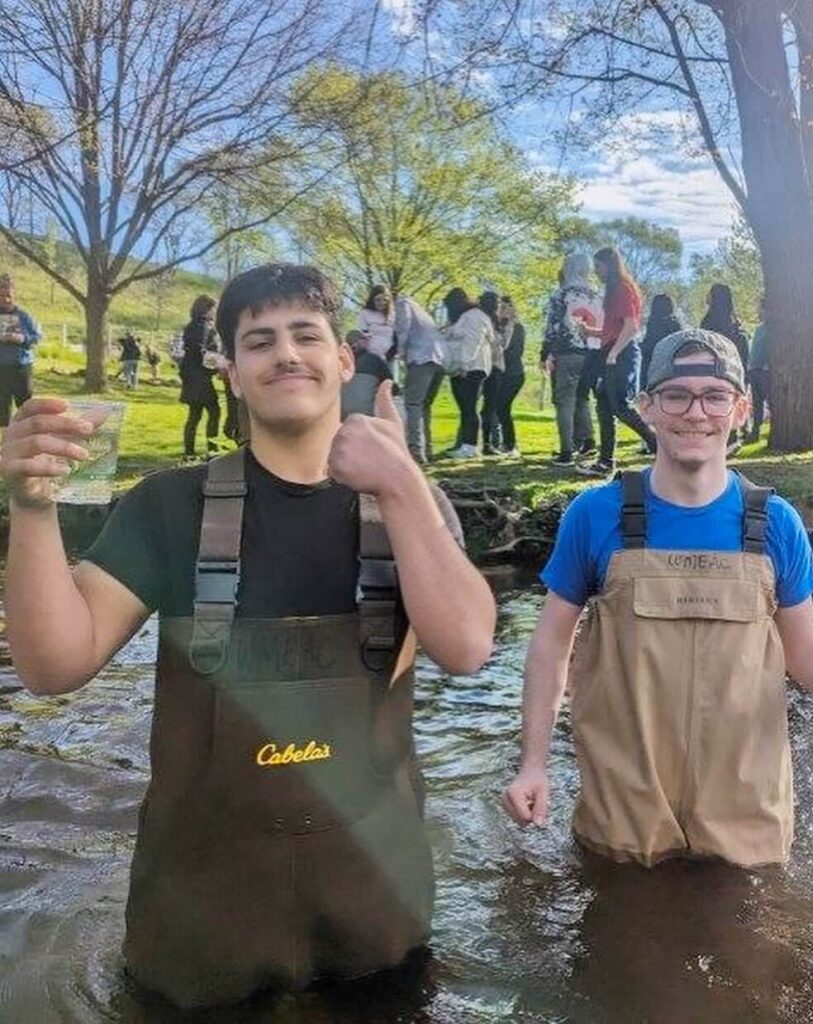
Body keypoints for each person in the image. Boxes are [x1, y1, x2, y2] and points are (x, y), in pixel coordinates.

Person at [1, 262, 496, 1009]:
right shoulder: (166, 506)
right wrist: (31, 509)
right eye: (259, 341)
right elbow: (51, 667)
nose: (285, 354)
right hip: (200, 934)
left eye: (306, 335)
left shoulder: (410, 506)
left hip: (376, 919)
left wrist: (400, 485)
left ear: (344, 360)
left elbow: (466, 648)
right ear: (231, 371)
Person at [504, 328, 813, 870]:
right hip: (624, 806)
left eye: (714, 395)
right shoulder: (594, 515)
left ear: (741, 409)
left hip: (747, 808)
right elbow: (551, 647)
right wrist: (532, 763)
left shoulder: (776, 524)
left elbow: (806, 655)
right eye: (676, 395)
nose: (695, 413)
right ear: (647, 408)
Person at [574, 247, 657, 477]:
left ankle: (658, 445)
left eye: (599, 268)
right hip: (611, 352)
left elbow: (631, 327)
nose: (597, 273)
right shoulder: (612, 291)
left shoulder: (622, 289)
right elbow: (613, 330)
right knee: (603, 407)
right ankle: (605, 462)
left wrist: (613, 354)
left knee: (619, 405)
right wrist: (590, 331)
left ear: (609, 267)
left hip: (622, 354)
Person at [540, 253, 601, 466]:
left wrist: (544, 353)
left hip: (566, 352)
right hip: (591, 353)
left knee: (564, 401)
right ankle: (588, 441)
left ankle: (567, 450)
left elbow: (553, 327)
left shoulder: (561, 294)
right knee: (583, 398)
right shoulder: (595, 295)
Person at [441, 287, 494, 459]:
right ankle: (465, 443)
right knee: (465, 407)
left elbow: (473, 341)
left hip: (472, 367)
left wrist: (464, 363)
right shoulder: (463, 318)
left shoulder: (474, 316)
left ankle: (470, 446)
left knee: (469, 406)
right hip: (461, 367)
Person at [393, 295, 444, 464]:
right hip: (438, 361)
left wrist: (400, 351)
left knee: (413, 404)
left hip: (421, 358)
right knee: (425, 406)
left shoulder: (403, 304)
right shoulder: (423, 312)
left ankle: (416, 451)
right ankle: (428, 450)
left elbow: (403, 327)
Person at [700, 283, 750, 454]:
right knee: (730, 402)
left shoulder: (707, 322)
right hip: (734, 371)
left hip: (713, 370)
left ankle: (720, 438)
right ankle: (733, 436)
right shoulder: (735, 324)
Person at [179, 294, 221, 460]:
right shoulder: (202, 325)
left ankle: (189, 451)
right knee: (214, 411)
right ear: (208, 308)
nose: (214, 312)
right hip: (200, 376)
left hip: (191, 374)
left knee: (195, 414)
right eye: (213, 309)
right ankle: (212, 448)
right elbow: (200, 350)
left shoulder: (192, 325)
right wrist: (216, 364)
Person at [0, 274, 41, 427]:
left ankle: (27, 437)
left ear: (14, 294)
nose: (5, 299)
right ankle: (3, 443)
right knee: (1, 407)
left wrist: (22, 339)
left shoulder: (25, 317)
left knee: (25, 406)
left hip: (21, 367)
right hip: (0, 368)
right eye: (1, 295)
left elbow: (36, 337)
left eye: (8, 295)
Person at [496, 296, 526, 457]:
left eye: (507, 307)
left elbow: (516, 353)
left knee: (502, 407)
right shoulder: (497, 327)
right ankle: (503, 443)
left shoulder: (518, 328)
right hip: (500, 374)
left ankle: (510, 445)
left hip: (514, 374)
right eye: (501, 307)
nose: (503, 310)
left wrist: (499, 356)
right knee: (499, 408)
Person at [478, 291, 506, 456]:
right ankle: (482, 443)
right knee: (485, 407)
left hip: (492, 366)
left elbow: (502, 345)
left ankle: (487, 443)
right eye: (496, 303)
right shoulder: (484, 320)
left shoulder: (497, 322)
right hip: (487, 365)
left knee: (488, 407)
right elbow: (499, 345)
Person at [341, 328, 393, 418]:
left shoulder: (339, 361)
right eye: (365, 339)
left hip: (339, 415)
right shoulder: (374, 360)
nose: (368, 341)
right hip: (365, 415)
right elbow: (390, 385)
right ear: (359, 342)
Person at [639, 293, 683, 392]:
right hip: (668, 363)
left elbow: (649, 343)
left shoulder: (653, 322)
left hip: (650, 361)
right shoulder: (675, 323)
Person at [358, 285, 396, 367]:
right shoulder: (365, 313)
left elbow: (397, 338)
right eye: (378, 300)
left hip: (389, 357)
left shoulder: (393, 316)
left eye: (385, 300)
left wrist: (389, 354)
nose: (382, 303)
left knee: (389, 379)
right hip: (371, 356)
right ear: (372, 299)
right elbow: (363, 335)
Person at [749, 298, 770, 443]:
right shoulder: (759, 329)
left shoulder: (773, 329)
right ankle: (755, 432)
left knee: (770, 401)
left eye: (760, 308)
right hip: (754, 370)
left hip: (765, 370)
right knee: (756, 404)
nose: (758, 311)